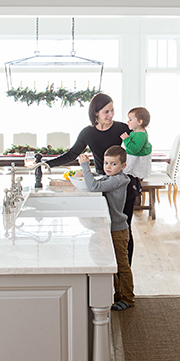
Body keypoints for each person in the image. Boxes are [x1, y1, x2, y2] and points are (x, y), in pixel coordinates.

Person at [44, 92, 140, 265]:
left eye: (112, 111)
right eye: (106, 112)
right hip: (102, 187)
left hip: (122, 186)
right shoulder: (87, 133)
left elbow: (140, 143)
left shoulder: (121, 128)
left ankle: (125, 271)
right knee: (105, 229)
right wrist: (47, 164)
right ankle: (107, 269)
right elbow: (72, 154)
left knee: (125, 229)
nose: (111, 115)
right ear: (96, 113)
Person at [78, 145, 135, 311]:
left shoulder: (119, 179)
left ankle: (128, 298)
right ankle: (118, 295)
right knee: (113, 264)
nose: (108, 167)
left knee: (122, 266)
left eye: (113, 164)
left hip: (118, 229)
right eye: (106, 163)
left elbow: (94, 186)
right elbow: (100, 180)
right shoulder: (111, 177)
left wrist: (84, 166)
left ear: (123, 166)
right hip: (110, 228)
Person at [120, 106, 152, 180]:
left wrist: (126, 139)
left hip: (136, 161)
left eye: (130, 119)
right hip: (133, 158)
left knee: (133, 177)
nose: (128, 121)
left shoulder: (140, 135)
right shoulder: (136, 132)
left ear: (139, 122)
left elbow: (135, 149)